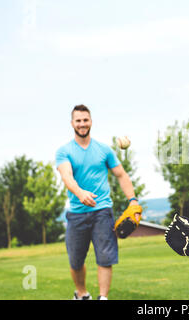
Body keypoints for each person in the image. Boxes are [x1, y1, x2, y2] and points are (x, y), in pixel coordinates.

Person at [56, 104, 141, 300]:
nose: (82, 124)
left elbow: (121, 175)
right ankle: (83, 294)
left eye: (85, 120)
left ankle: (103, 297)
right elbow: (66, 176)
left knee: (105, 257)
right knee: (75, 261)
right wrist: (80, 192)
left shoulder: (104, 150)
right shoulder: (64, 151)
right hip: (77, 213)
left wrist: (133, 200)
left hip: (103, 211)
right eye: (78, 120)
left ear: (91, 122)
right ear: (72, 123)